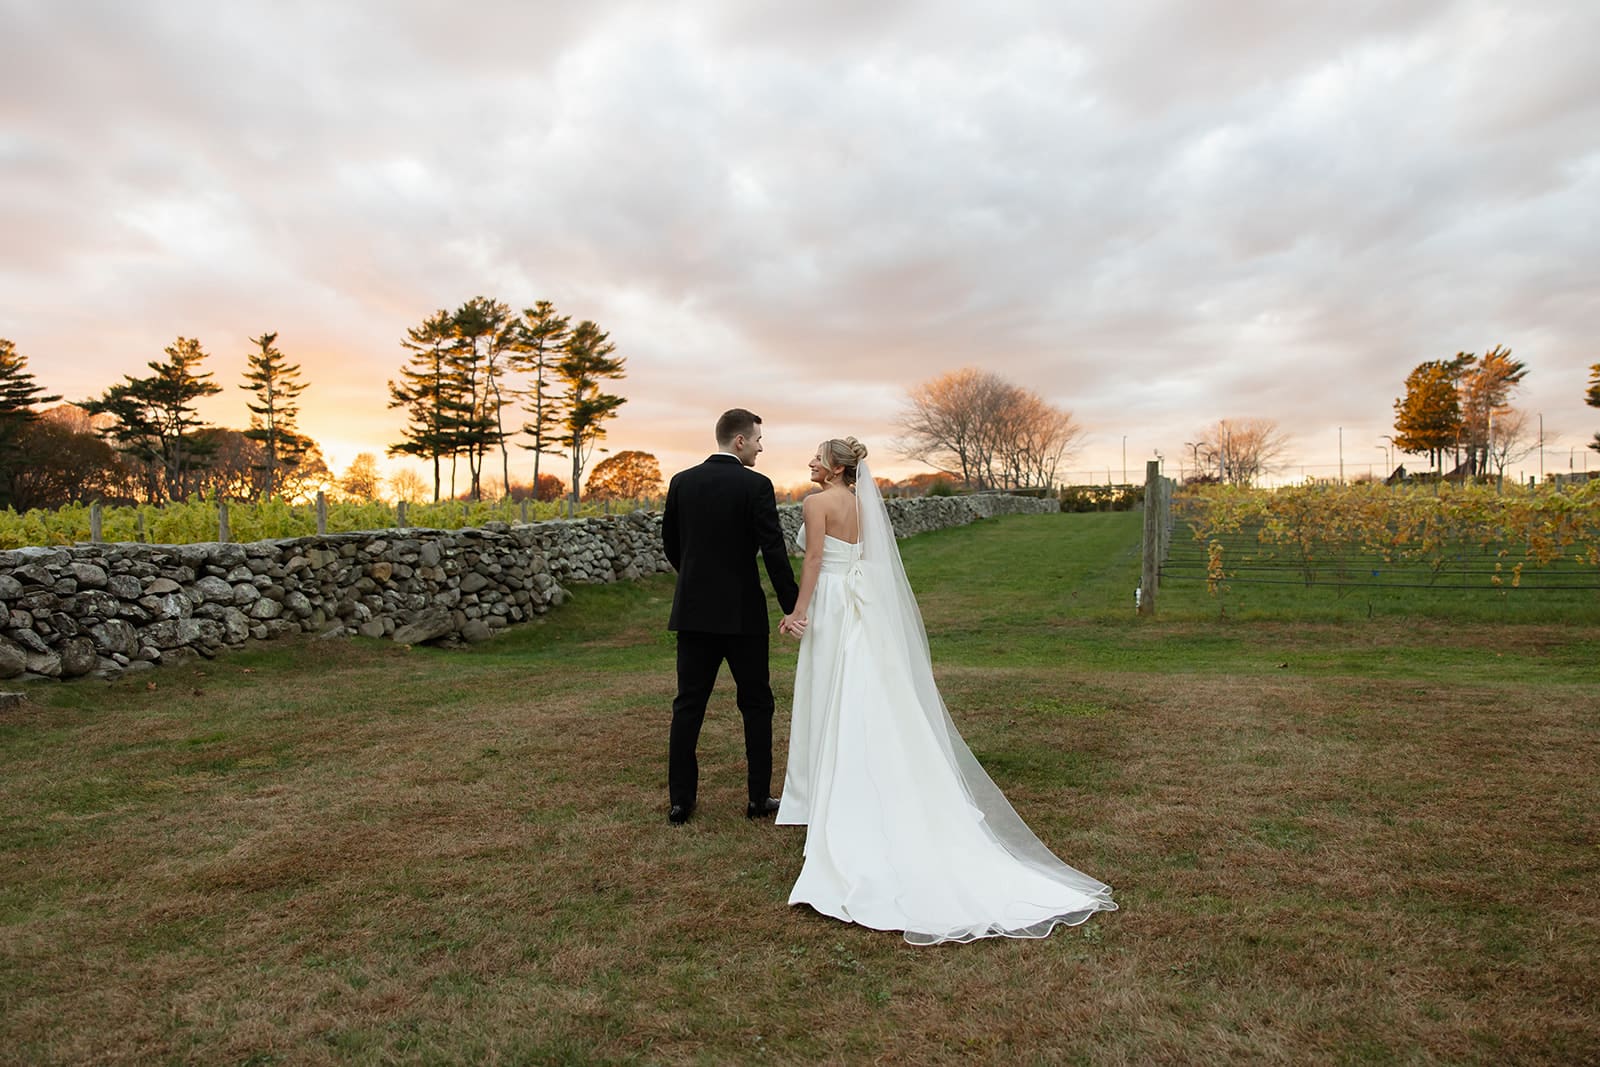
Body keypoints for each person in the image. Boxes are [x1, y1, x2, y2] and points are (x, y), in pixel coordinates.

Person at [776, 438, 1117, 944]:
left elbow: (813, 562)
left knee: (832, 696)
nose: (808, 462)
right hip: (861, 608)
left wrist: (799, 612)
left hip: (831, 605)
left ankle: (838, 800)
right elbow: (868, 560)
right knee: (870, 698)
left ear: (833, 466)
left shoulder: (816, 502)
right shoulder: (862, 502)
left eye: (815, 457)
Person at [662, 408, 800, 826]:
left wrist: (695, 580)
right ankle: (759, 798)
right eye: (758, 439)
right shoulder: (756, 485)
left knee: (688, 705)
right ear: (739, 441)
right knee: (756, 703)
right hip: (743, 615)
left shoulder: (682, 482)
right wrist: (792, 606)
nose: (761, 446)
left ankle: (681, 802)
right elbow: (774, 551)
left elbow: (672, 545)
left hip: (693, 612)